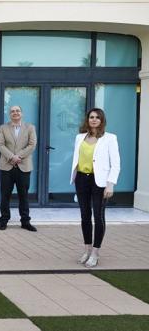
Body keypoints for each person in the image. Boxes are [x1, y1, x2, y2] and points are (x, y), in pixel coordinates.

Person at [70, 108, 120, 268]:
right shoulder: (80, 137)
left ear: (102, 120)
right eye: (91, 117)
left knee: (98, 216)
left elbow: (116, 164)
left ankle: (95, 253)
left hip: (100, 182)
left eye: (97, 117)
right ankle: (87, 249)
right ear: (87, 119)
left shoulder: (110, 138)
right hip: (81, 179)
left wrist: (110, 184)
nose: (94, 119)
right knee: (85, 216)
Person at [0, 105, 37, 232]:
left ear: (22, 113)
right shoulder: (3, 128)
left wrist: (19, 156)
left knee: (23, 195)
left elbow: (32, 144)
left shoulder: (30, 127)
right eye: (12, 111)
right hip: (7, 166)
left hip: (23, 166)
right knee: (5, 195)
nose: (15, 113)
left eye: (17, 111)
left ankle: (25, 221)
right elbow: (0, 144)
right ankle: (3, 220)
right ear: (10, 114)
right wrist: (11, 157)